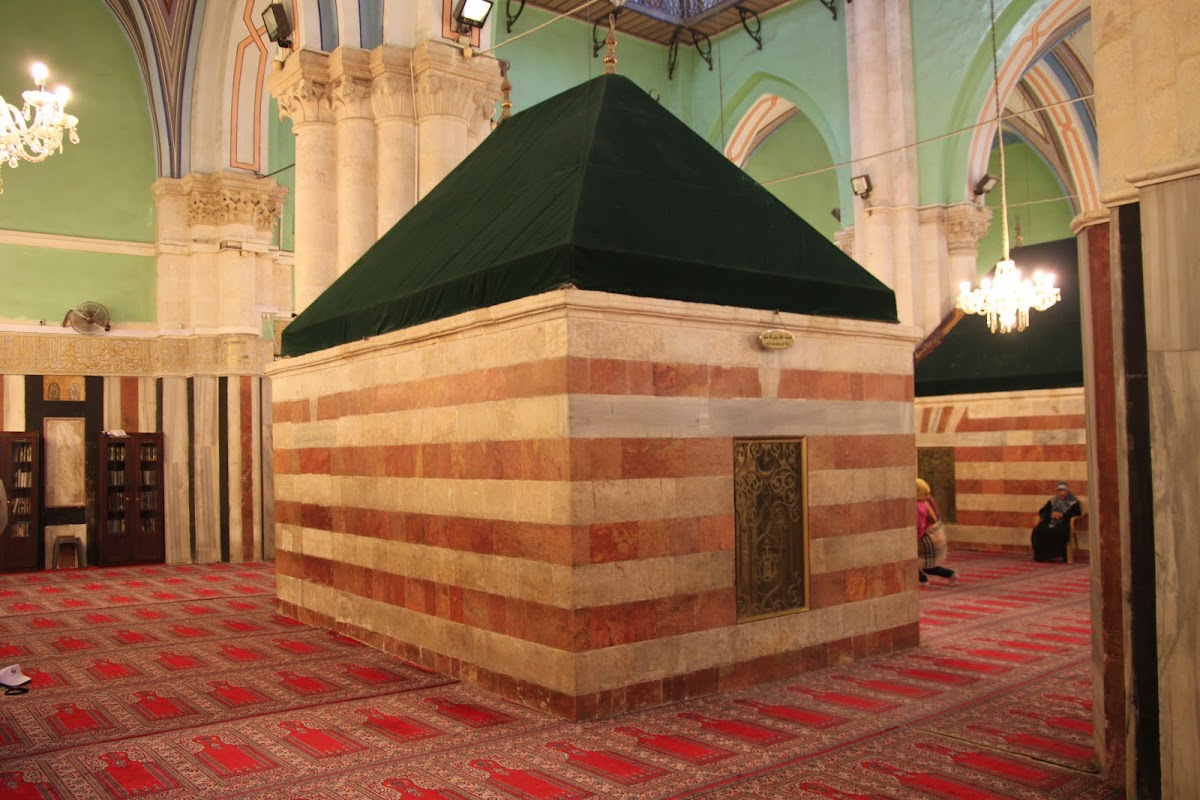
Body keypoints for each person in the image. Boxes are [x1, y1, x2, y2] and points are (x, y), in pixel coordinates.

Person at [917, 478, 957, 586]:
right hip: (936, 534)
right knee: (927, 565)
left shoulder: (919, 506)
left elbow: (920, 525)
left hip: (927, 537)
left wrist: (916, 538)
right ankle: (950, 574)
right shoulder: (928, 499)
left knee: (914, 562)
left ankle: (923, 580)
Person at [1031, 482, 1081, 562]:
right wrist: (1051, 515)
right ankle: (1042, 556)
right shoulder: (1052, 501)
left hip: (1063, 522)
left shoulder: (1073, 502)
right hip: (1050, 521)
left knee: (1058, 531)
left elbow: (1076, 513)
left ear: (1067, 491)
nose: (1062, 493)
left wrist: (1062, 515)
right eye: (1060, 491)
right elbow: (1043, 511)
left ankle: (1059, 554)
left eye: (1064, 491)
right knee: (1038, 530)